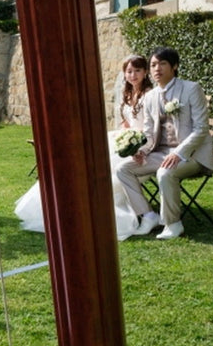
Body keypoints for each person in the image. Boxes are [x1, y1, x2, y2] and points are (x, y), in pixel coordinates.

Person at [13, 54, 152, 240]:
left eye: (137, 71)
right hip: (127, 138)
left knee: (109, 173)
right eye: (129, 71)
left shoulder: (151, 94)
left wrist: (134, 140)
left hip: (144, 143)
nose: (133, 75)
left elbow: (151, 126)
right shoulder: (127, 94)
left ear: (145, 72)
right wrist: (124, 136)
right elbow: (126, 123)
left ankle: (105, 215)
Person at [115, 46, 213, 240]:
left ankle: (173, 224)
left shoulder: (191, 88)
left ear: (174, 66)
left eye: (162, 63)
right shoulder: (150, 96)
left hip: (191, 154)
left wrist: (178, 153)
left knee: (165, 172)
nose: (156, 68)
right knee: (123, 169)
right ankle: (148, 215)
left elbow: (201, 129)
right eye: (153, 64)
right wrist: (142, 150)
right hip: (160, 152)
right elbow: (149, 132)